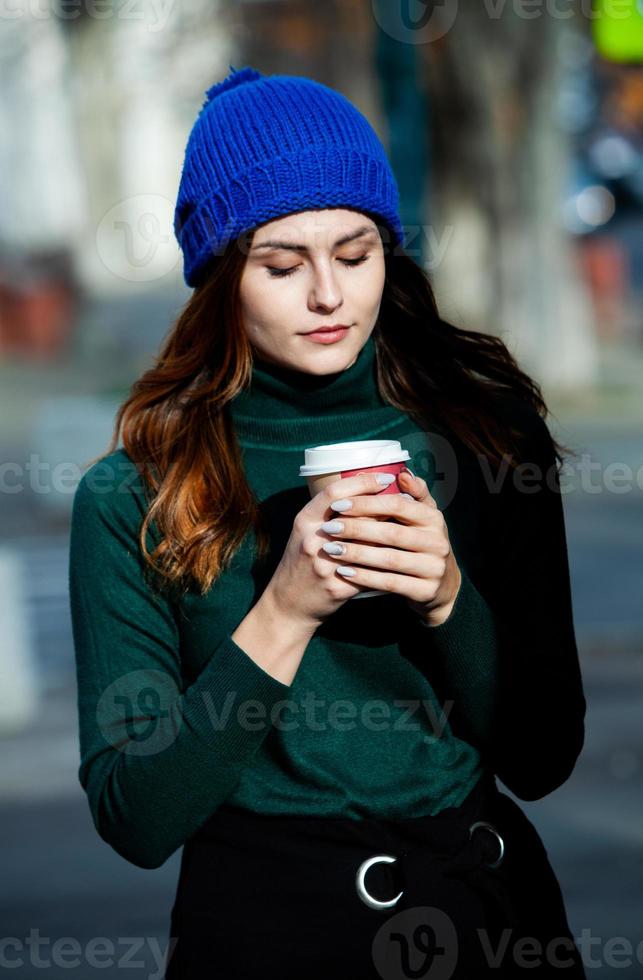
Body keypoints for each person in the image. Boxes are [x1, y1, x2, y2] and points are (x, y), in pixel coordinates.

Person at [69, 65, 589, 978]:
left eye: (355, 255)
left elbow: (544, 757)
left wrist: (448, 599)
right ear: (221, 277)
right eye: (281, 265)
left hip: (487, 918)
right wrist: (285, 611)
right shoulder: (137, 493)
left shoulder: (484, 440)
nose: (328, 296)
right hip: (269, 934)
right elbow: (138, 816)